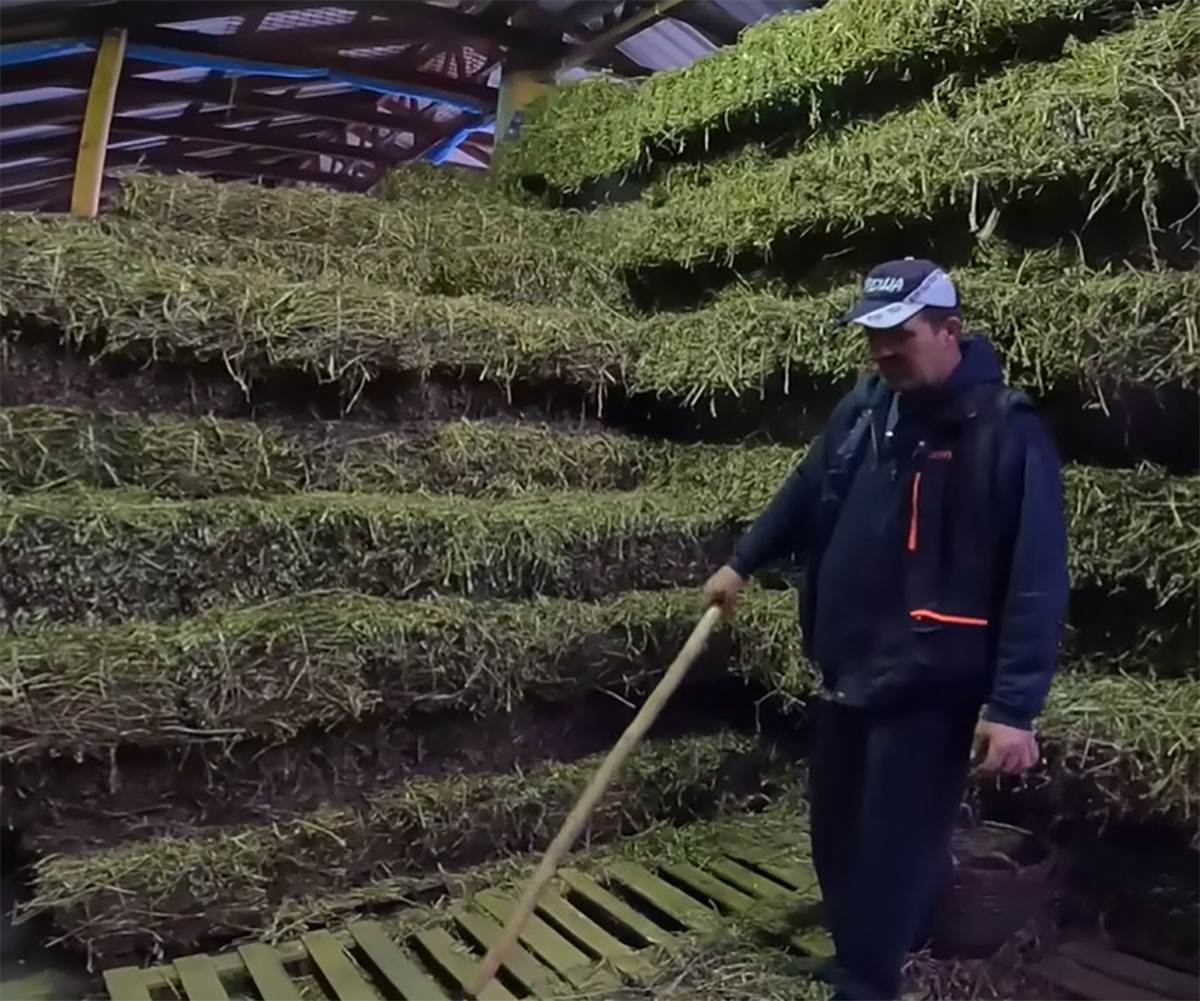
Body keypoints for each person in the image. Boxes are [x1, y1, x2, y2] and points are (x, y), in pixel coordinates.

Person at [703, 258, 1069, 1001]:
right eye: (871, 335)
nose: (879, 350)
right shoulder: (867, 409)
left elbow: (1037, 575)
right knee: (835, 830)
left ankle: (868, 982)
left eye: (896, 335)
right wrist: (743, 563)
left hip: (932, 677)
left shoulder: (1005, 430)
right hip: (849, 660)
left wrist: (1013, 708)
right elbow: (804, 490)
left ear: (949, 331)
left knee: (894, 844)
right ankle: (855, 955)